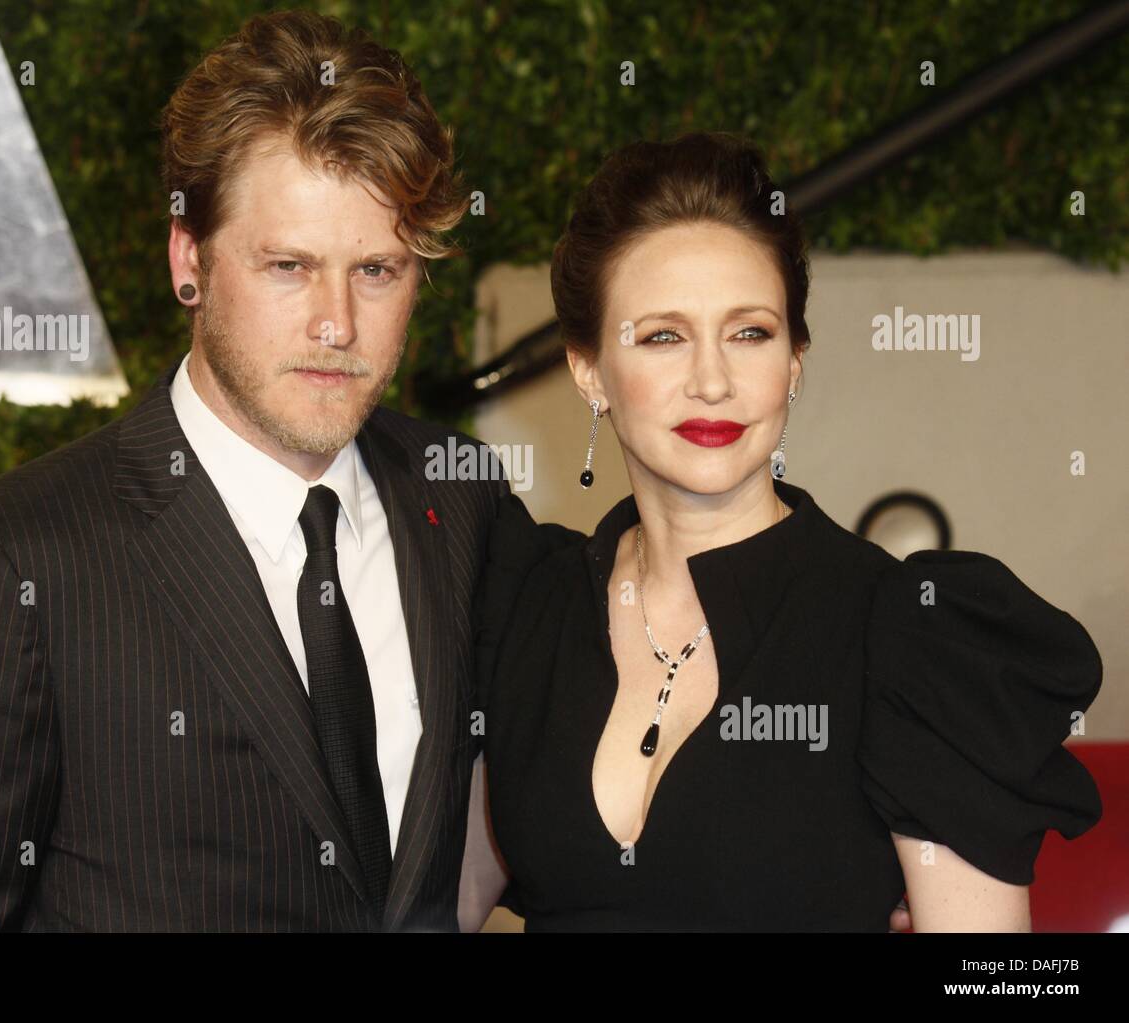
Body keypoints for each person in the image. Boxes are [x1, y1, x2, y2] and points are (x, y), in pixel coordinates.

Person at [0, 9, 493, 933]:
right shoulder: (5, 568)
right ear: (190, 258)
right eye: (289, 265)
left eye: (376, 270)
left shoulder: (462, 497)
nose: (336, 322)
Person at [461, 131, 1103, 931]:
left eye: (750, 332)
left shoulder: (903, 635)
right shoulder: (527, 606)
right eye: (663, 335)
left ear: (795, 360)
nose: (712, 379)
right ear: (589, 370)